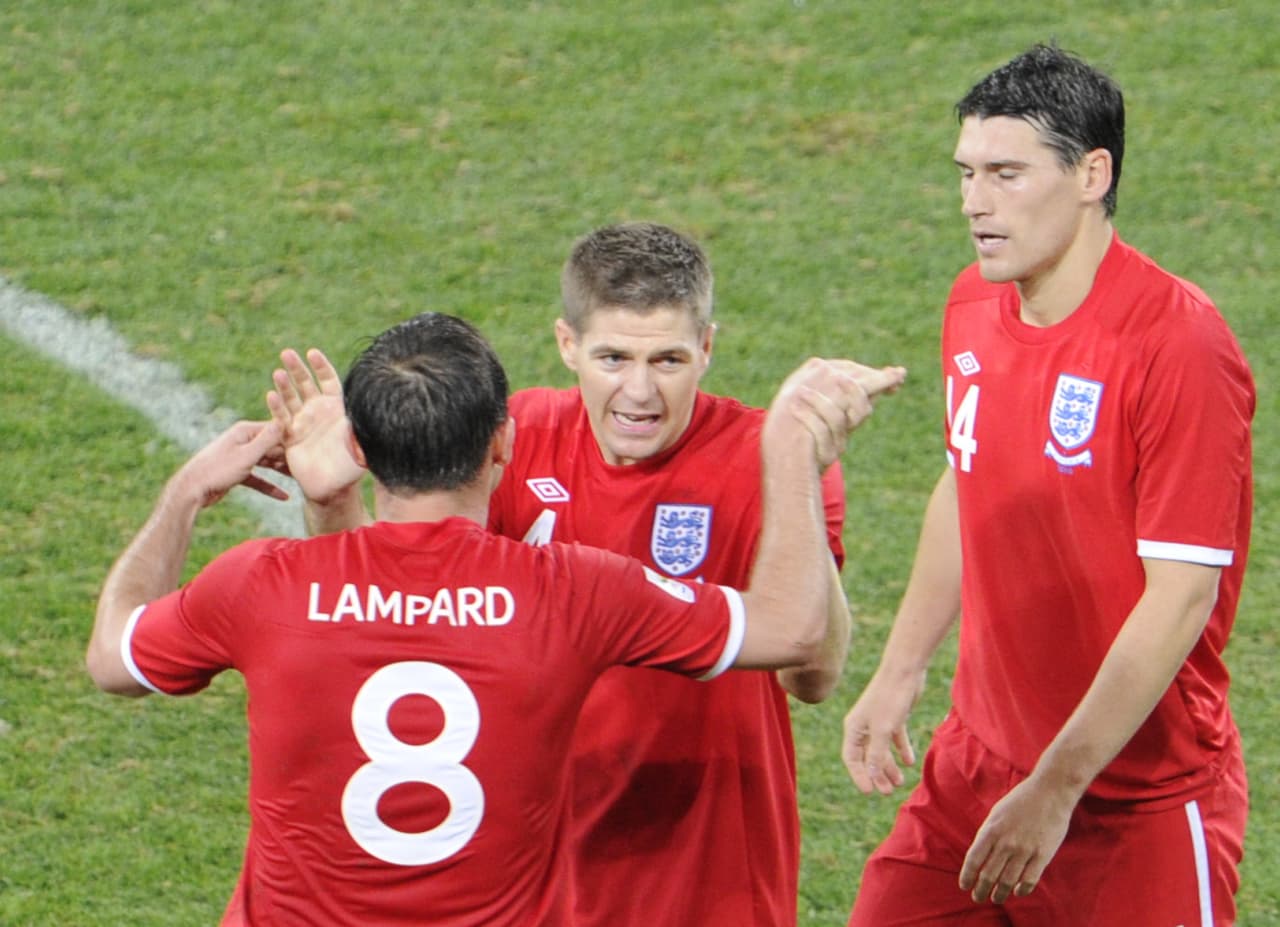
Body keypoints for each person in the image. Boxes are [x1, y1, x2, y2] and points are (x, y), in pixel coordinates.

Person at [87, 312, 898, 926]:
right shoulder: (572, 590)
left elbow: (114, 658)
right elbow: (795, 634)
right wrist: (791, 448)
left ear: (362, 449)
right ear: (504, 445)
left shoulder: (263, 585)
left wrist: (188, 492)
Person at [273, 222, 907, 925]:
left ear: (707, 347)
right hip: (535, 879)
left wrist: (798, 469)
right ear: (567, 344)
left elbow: (812, 675)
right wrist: (331, 501)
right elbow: (400, 614)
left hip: (708, 879)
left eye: (667, 359)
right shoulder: (520, 438)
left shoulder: (768, 456)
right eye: (612, 357)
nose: (639, 391)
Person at [841, 44, 1254, 927]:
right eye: (965, 173)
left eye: (1005, 174)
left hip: (1134, 802)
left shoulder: (1178, 346)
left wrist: (1057, 786)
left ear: (1091, 173)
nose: (973, 202)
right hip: (976, 768)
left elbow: (1181, 597)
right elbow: (967, 477)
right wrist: (900, 669)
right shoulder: (972, 304)